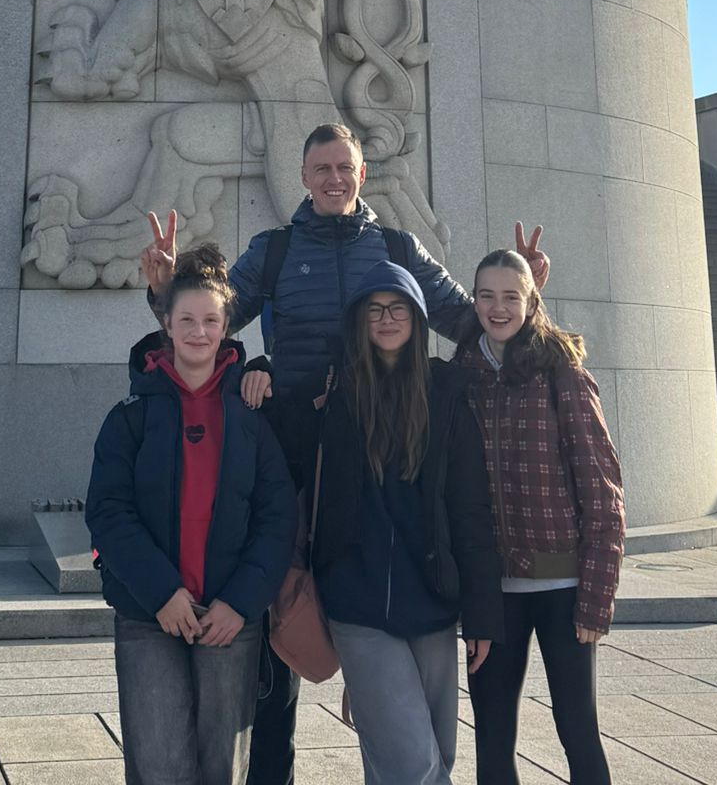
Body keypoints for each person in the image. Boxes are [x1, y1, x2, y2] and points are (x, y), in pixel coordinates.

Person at [140, 123, 549, 785]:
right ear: (303, 177)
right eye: (321, 168)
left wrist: (526, 302)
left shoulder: (397, 248)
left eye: (345, 168)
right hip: (293, 453)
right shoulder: (274, 250)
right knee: (283, 634)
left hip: (378, 455)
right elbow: (211, 321)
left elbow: (464, 319)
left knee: (378, 609)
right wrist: (168, 293)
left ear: (363, 175)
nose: (334, 178)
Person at [270, 264, 500, 785]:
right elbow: (280, 449)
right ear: (358, 321)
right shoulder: (331, 393)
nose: (387, 318)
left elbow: (470, 511)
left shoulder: (446, 396)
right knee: (415, 767)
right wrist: (253, 370)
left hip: (433, 601)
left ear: (417, 319)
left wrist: (482, 614)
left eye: (398, 308)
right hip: (357, 603)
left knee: (431, 755)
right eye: (374, 310)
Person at [87, 242, 298, 785]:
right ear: (166, 323)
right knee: (159, 767)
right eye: (186, 320)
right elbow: (108, 511)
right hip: (149, 614)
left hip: (228, 619)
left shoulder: (252, 416)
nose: (199, 332)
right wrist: (162, 593)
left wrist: (241, 602)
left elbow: (277, 517)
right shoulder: (130, 415)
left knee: (222, 770)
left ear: (227, 327)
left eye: (210, 320)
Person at [456, 249, 624, 785]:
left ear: (532, 302)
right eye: (487, 296)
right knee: (492, 737)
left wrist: (596, 597)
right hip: (492, 592)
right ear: (473, 301)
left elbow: (602, 489)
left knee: (577, 729)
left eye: (512, 296)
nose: (498, 308)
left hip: (563, 589)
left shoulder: (560, 371)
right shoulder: (462, 375)